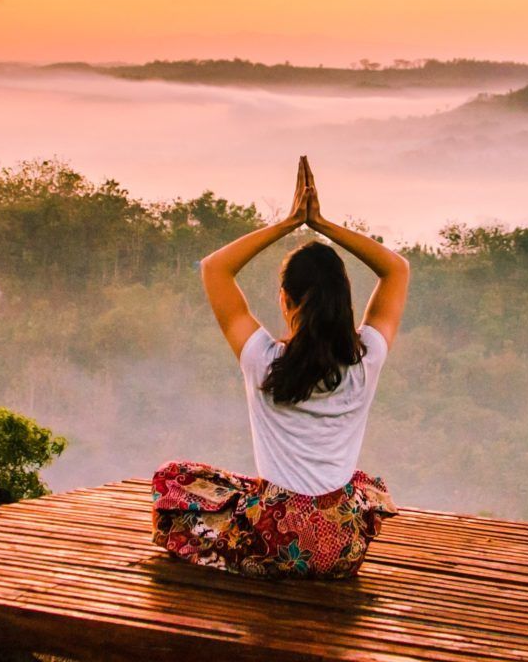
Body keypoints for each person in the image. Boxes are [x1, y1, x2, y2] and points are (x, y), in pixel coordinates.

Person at [151, 156, 410, 580]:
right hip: (340, 548)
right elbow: (396, 269)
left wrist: (290, 222)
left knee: (172, 480)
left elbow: (215, 268)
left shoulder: (262, 360)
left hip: (271, 541)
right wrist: (322, 224)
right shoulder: (367, 359)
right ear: (344, 302)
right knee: (359, 485)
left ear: (285, 300)